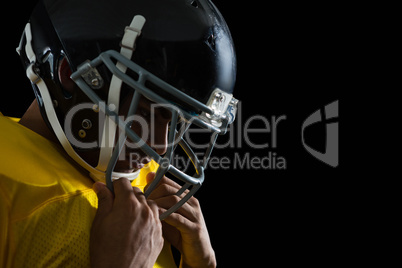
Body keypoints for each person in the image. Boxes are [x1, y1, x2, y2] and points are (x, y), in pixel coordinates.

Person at [0, 0, 238, 267]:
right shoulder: (7, 190)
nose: (160, 148)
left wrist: (201, 263)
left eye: (177, 122)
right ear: (70, 75)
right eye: (147, 112)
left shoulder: (148, 189)